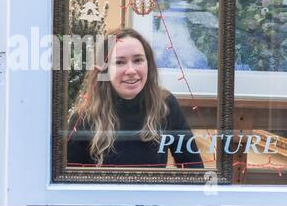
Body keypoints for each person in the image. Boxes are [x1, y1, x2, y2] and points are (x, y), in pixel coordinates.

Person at [67, 28, 204, 168]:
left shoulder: (166, 105)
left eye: (138, 60)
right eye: (120, 62)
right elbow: (68, 181)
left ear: (148, 64)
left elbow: (194, 167)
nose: (131, 71)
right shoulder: (84, 116)